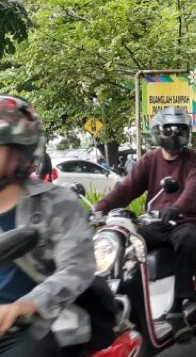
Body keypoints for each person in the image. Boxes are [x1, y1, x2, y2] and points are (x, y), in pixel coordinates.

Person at [94, 107, 196, 343]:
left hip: (184, 221)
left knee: (188, 240)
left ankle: (178, 306)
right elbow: (126, 189)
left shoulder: (195, 158)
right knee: (123, 244)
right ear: (158, 132)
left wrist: (177, 206)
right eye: (169, 130)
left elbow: (194, 188)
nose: (174, 135)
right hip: (154, 223)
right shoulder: (149, 160)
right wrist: (99, 209)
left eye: (180, 130)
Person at [0, 95, 96, 356]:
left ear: (19, 151)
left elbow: (78, 267)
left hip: (39, 326)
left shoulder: (57, 202)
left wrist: (21, 307)